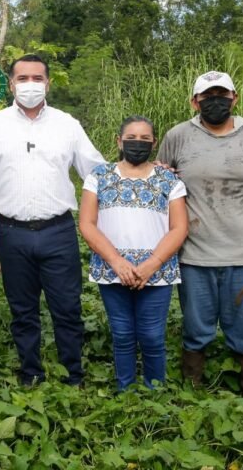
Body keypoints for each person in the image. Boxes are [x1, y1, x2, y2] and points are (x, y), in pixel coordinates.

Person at [0, 54, 105, 387]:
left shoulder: (67, 125)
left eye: (37, 78)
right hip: (9, 232)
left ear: (48, 83)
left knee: (67, 307)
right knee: (22, 309)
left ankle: (73, 373)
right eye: (23, 78)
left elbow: (96, 171)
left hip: (58, 231)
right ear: (11, 84)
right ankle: (30, 372)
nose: (30, 85)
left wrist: (141, 172)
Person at [156, 71, 243, 405]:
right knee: (196, 328)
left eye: (222, 95)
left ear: (234, 98)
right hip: (193, 255)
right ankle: (192, 389)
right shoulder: (178, 137)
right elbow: (159, 188)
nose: (215, 102)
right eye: (207, 97)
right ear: (194, 102)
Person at [79, 116, 188, 391]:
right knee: (122, 334)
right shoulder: (98, 177)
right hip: (112, 270)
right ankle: (125, 391)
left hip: (156, 271)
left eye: (144, 139)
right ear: (119, 141)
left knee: (152, 335)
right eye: (131, 138)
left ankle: (155, 390)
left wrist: (152, 264)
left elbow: (179, 228)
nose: (137, 144)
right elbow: (87, 224)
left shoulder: (169, 180)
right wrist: (117, 262)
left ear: (154, 143)